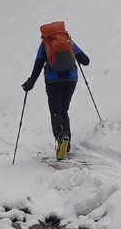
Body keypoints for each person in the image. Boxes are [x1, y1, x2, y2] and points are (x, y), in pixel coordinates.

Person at [22, 21, 90, 160]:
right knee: (63, 110)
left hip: (53, 81)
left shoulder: (45, 45)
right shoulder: (68, 41)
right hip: (71, 79)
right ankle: (67, 143)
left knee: (55, 111)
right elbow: (86, 60)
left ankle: (61, 136)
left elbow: (38, 65)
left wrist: (30, 83)